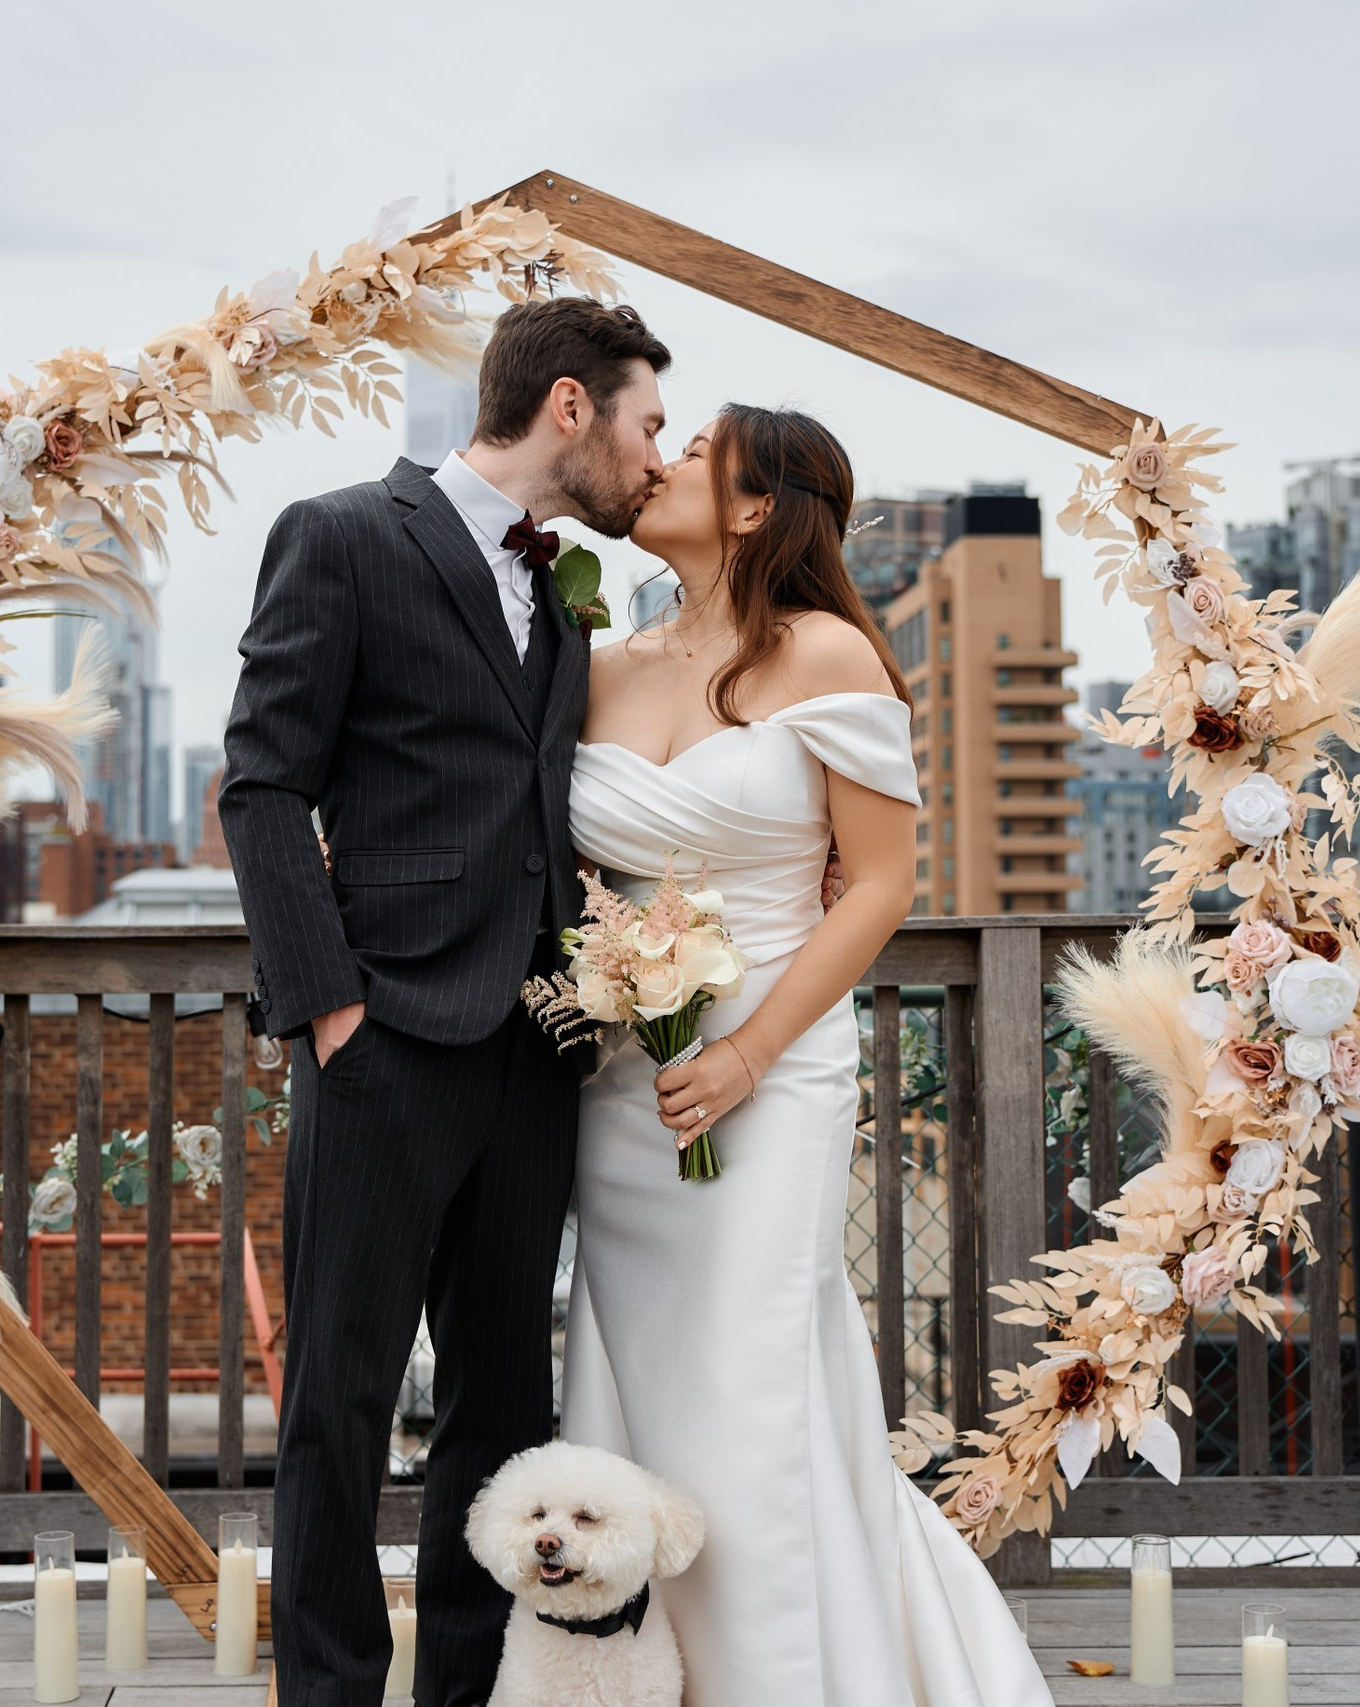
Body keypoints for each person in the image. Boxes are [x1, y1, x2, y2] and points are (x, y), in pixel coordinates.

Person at [560, 404, 1054, 1706]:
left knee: (748, 1375)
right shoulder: (601, 661)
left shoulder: (829, 654)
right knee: (631, 1379)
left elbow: (880, 888)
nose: (653, 459)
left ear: (754, 507)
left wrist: (745, 1058)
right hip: (624, 1081)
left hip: (770, 1073)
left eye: (691, 449)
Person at [219, 295, 670, 1707]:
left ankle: (471, 1692)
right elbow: (262, 783)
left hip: (537, 1050)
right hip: (387, 1041)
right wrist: (330, 1013)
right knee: (339, 1406)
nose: (652, 462)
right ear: (571, 409)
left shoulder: (570, 591)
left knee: (504, 1412)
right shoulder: (344, 535)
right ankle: (335, 1693)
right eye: (646, 423)